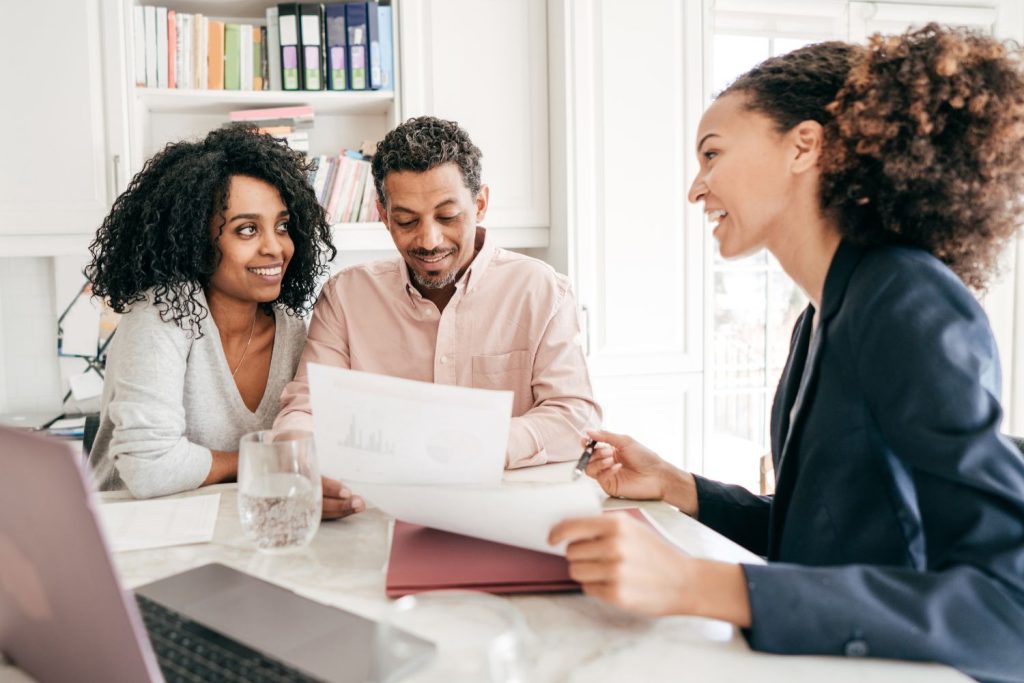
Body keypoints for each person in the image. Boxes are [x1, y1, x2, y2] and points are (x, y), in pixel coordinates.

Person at [549, 24, 1024, 681]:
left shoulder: (905, 297)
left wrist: (693, 583)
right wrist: (677, 484)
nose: (696, 187)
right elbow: (820, 535)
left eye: (711, 154)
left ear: (804, 146)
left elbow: (1008, 605)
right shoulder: (825, 315)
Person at [274, 116, 601, 468]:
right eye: (406, 221)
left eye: (447, 216)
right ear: (383, 215)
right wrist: (304, 464)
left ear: (480, 205)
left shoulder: (543, 292)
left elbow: (576, 420)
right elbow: (304, 411)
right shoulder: (345, 297)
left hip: (505, 509)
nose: (429, 241)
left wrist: (479, 445)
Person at [86, 125, 361, 519]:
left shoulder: (292, 330)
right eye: (246, 229)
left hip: (232, 528)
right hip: (129, 535)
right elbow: (149, 468)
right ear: (196, 239)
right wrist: (265, 461)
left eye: (282, 226)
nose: (274, 247)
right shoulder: (163, 313)